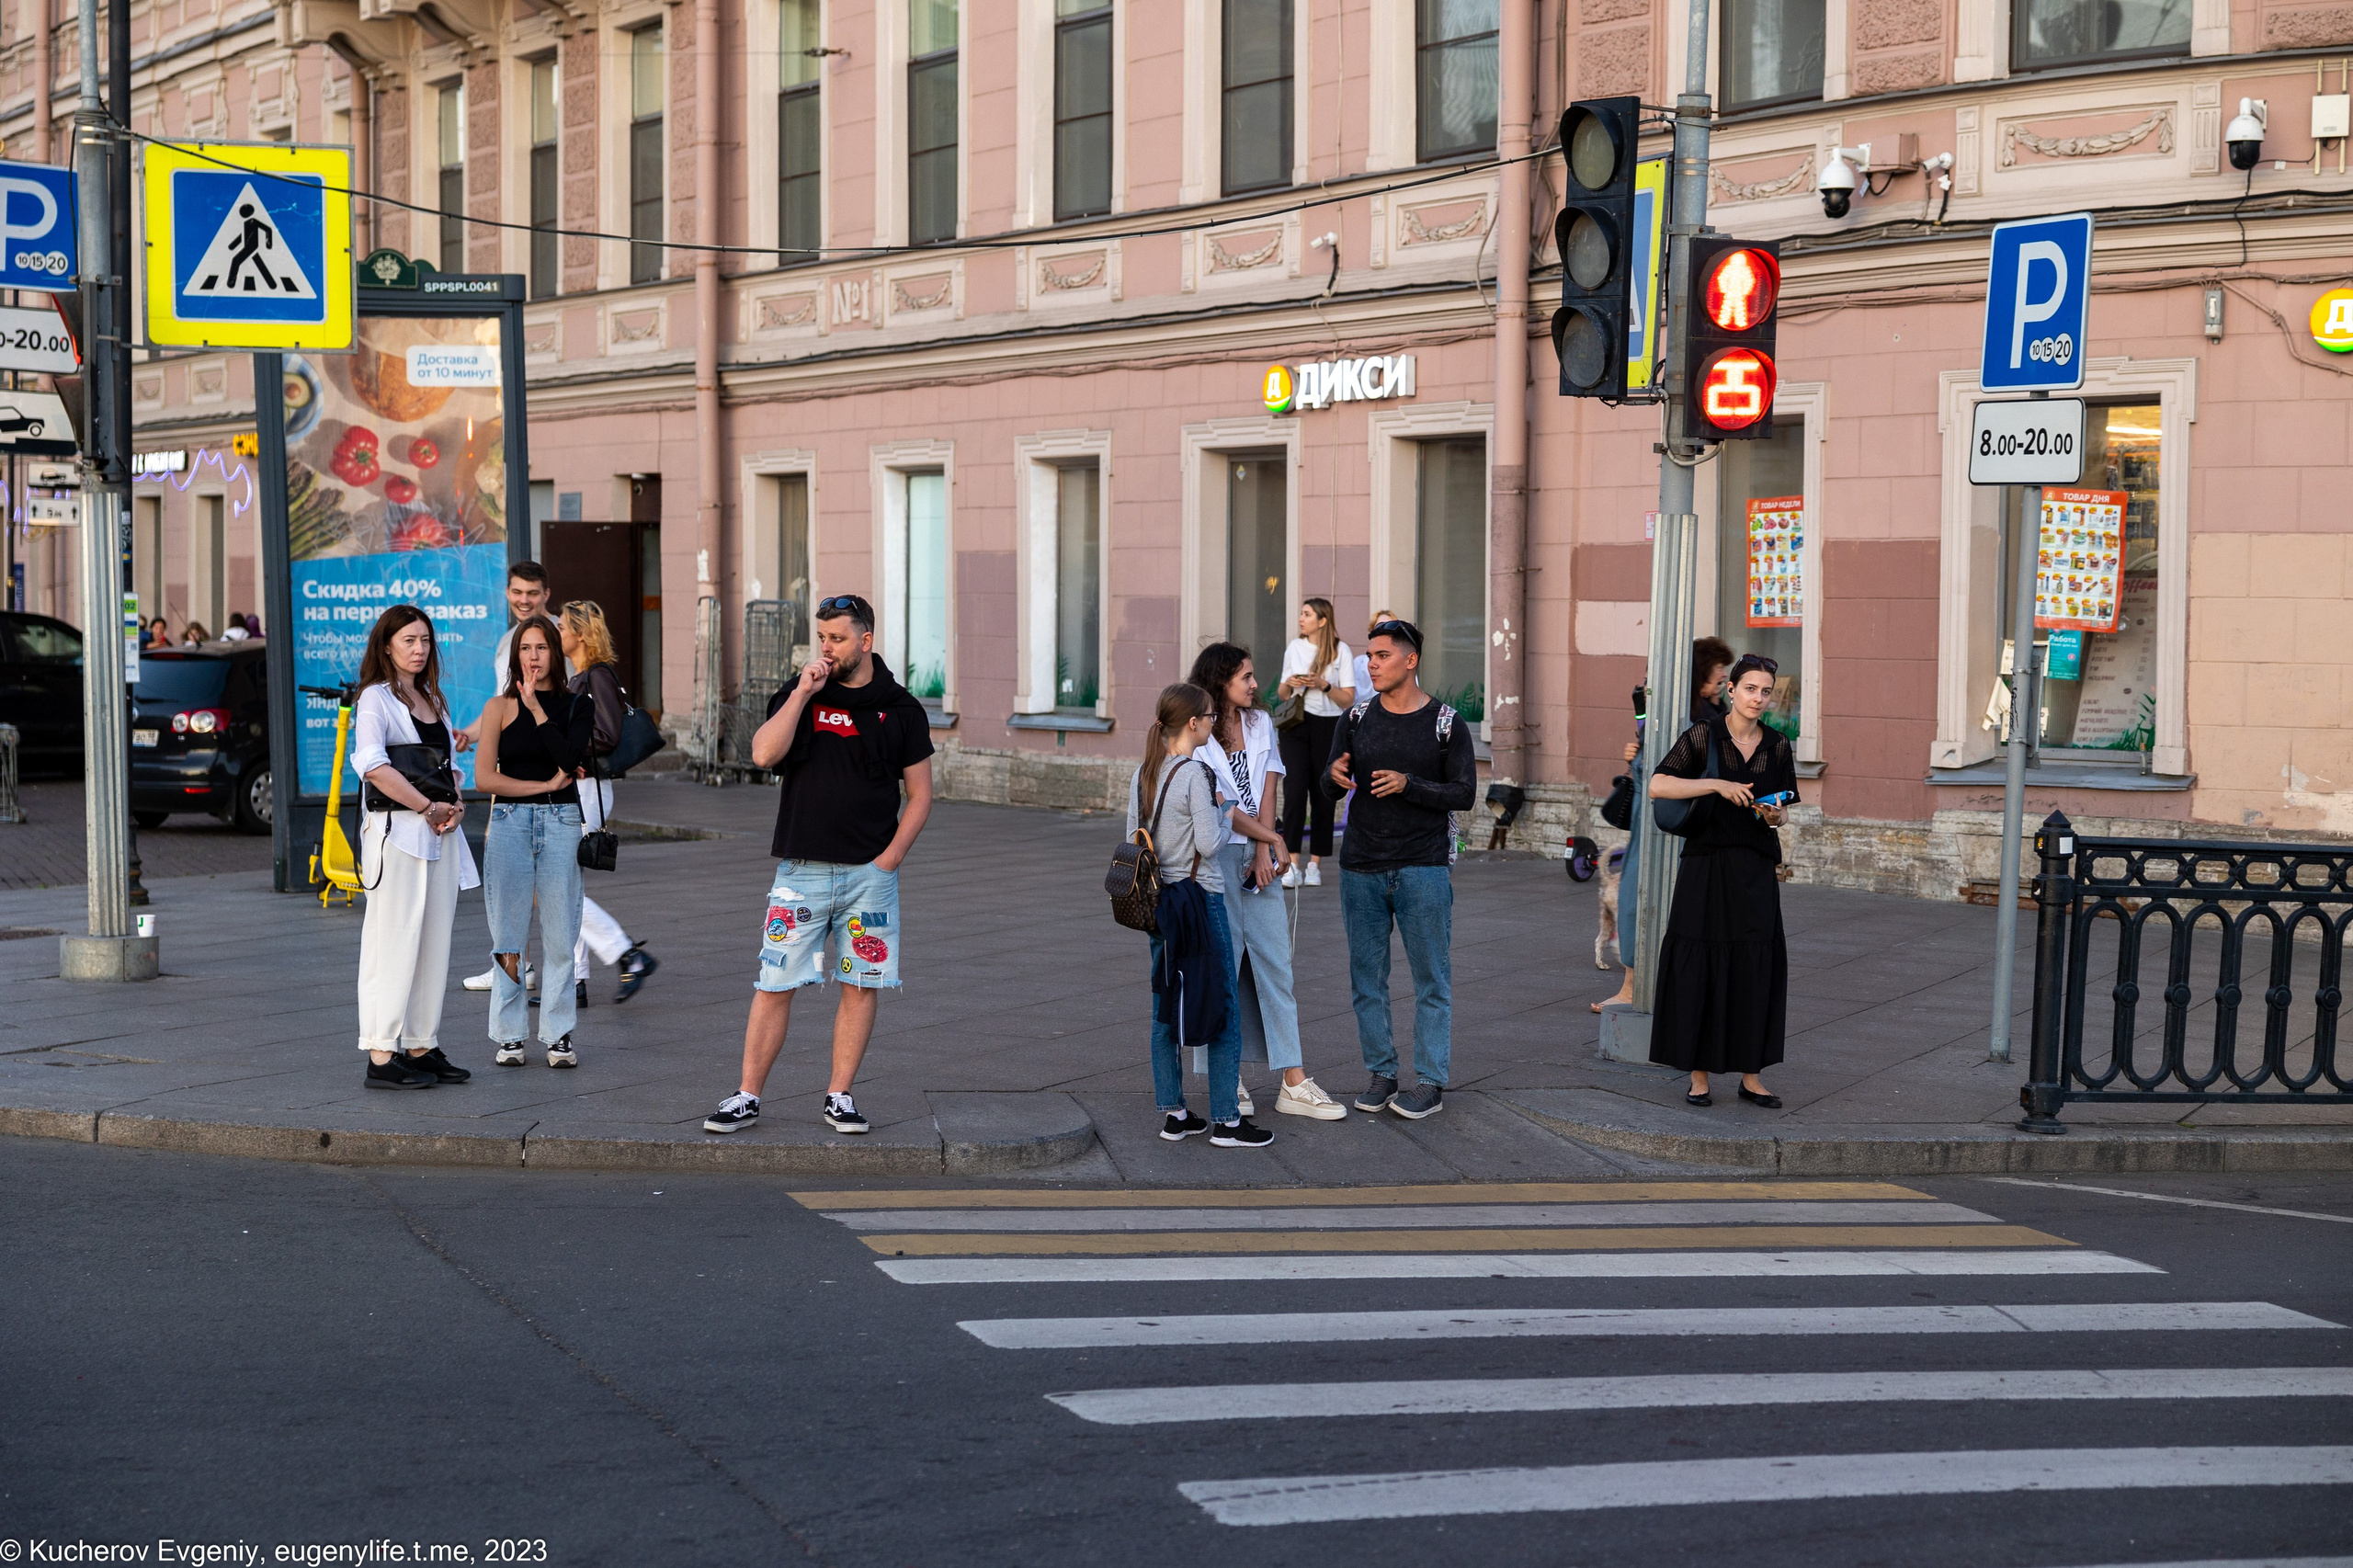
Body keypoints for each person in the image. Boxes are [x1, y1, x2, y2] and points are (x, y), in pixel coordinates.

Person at [702, 595, 935, 1137]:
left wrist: (888, 861)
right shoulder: (802, 691)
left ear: (866, 641)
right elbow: (763, 754)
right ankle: (747, 1095)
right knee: (774, 982)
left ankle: (840, 1095)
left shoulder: (900, 709)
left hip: (868, 878)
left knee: (860, 983)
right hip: (802, 871)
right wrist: (804, 692)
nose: (826, 649)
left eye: (837, 639)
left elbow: (920, 795)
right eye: (821, 638)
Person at [1322, 618, 1475, 1119]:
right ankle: (1381, 1073)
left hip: (1422, 867)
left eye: (1381, 655)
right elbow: (1329, 783)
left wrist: (1410, 785)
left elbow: (1464, 794)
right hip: (1361, 863)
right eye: (1368, 656)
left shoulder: (1447, 722)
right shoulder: (1358, 718)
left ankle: (1429, 1081)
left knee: (1432, 979)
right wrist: (1333, 776)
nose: (1371, 664)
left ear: (1410, 660)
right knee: (1367, 978)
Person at [1188, 642, 1344, 1121]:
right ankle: (1226, 1074)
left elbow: (1270, 784)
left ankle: (1293, 1081)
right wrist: (1271, 839)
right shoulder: (1197, 732)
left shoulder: (1260, 724)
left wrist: (1264, 846)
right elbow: (1218, 806)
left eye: (1253, 676)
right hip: (1215, 860)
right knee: (1224, 967)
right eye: (1246, 677)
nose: (1256, 685)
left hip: (1258, 855)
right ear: (1220, 682)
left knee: (1277, 965)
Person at [1646, 653, 1799, 1108]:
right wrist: (1714, 784)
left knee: (1755, 968)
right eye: (1749, 688)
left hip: (1754, 869)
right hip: (1706, 866)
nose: (1758, 698)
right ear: (1731, 690)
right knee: (1702, 964)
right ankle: (1698, 1076)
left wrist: (1776, 815)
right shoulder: (1703, 735)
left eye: (1765, 691)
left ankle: (1751, 1077)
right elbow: (1658, 785)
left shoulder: (1777, 744)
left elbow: (1786, 808)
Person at [1131, 682, 1268, 1147]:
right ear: (1192, 723)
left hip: (1159, 904)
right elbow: (1209, 846)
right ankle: (1228, 1121)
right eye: (1210, 717)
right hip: (1201, 899)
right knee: (1222, 1001)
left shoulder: (1143, 773)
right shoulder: (1194, 774)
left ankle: (1174, 1114)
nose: (1215, 723)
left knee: (1164, 1004)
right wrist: (1224, 811)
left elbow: (1136, 838)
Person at [350, 605, 478, 1089]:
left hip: (439, 834)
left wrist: (456, 805)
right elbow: (372, 765)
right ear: (387, 646)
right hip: (396, 833)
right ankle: (382, 1055)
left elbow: (448, 767)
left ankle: (421, 1045)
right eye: (409, 640)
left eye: (425, 640)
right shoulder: (375, 699)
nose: (419, 649)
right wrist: (427, 806)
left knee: (433, 943)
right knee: (392, 942)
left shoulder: (433, 699)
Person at [474, 614, 595, 1068]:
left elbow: (570, 758)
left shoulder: (576, 706)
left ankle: (558, 1033)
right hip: (508, 823)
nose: (533, 657)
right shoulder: (497, 708)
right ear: (514, 655)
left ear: (555, 653)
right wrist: (542, 785)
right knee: (508, 937)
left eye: (541, 648)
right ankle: (509, 1034)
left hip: (562, 822)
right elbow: (487, 778)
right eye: (525, 649)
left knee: (562, 932)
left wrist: (539, 710)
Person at [1598, 636, 1735, 1014]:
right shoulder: (1680, 713)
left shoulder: (1708, 717)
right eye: (1717, 673)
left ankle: (1647, 986)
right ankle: (1632, 985)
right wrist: (1637, 750)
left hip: (1681, 818)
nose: (1723, 680)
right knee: (1637, 894)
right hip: (1657, 817)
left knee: (1657, 898)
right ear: (1696, 676)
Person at [462, 561, 555, 997]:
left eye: (532, 593)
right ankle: (518, 961)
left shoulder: (552, 639)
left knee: (550, 886)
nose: (524, 600)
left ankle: (610, 953)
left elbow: (552, 706)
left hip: (546, 781)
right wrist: (472, 733)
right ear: (507, 594)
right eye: (517, 592)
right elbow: (506, 706)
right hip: (510, 776)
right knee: (517, 878)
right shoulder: (508, 641)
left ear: (546, 594)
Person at [560, 599, 659, 1003]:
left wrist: (568, 753)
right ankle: (576, 981)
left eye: (564, 626)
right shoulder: (580, 676)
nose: (559, 632)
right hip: (582, 785)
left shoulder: (596, 675)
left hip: (588, 788)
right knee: (566, 884)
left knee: (559, 885)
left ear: (581, 635)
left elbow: (606, 734)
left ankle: (626, 954)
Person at [1276, 597, 1355, 887]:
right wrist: (1292, 683)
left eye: (1307, 614)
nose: (1301, 618)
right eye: (1301, 613)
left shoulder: (1340, 650)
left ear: (1322, 620)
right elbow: (1282, 694)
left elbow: (1348, 699)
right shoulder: (1295, 647)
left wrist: (1324, 685)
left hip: (1329, 726)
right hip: (1296, 724)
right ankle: (1292, 863)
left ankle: (1315, 864)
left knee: (1323, 793)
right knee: (1294, 791)